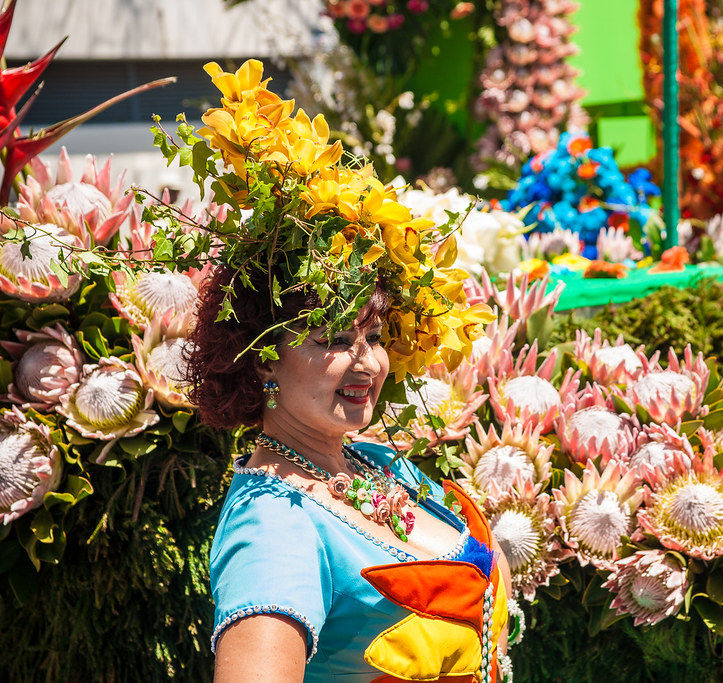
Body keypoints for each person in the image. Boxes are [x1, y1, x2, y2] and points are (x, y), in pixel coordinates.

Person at [174, 59, 513, 682]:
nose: (369, 362)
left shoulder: (370, 460)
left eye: (375, 336)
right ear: (260, 356)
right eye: (333, 337)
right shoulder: (273, 526)